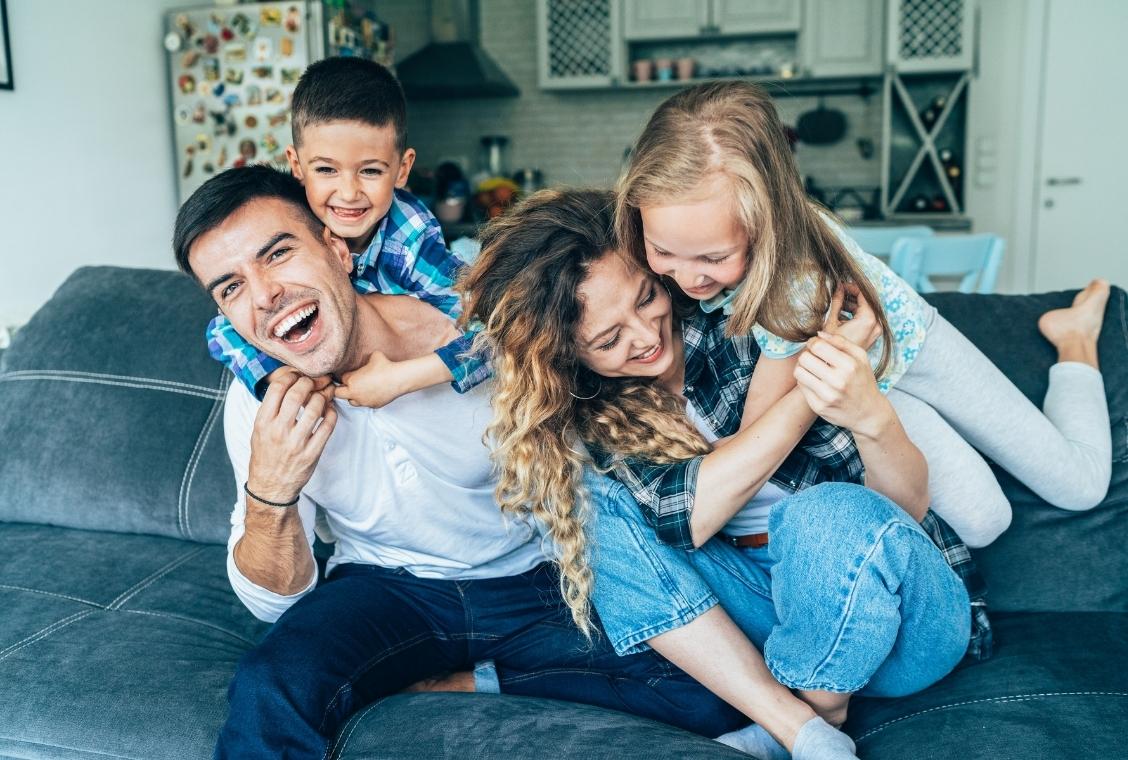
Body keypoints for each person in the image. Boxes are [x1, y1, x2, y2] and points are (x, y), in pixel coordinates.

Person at [173, 167, 759, 758]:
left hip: (536, 579)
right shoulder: (259, 397)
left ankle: (472, 681)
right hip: (387, 589)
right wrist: (271, 490)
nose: (265, 294)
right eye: (231, 288)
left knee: (712, 690)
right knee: (271, 686)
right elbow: (274, 603)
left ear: (335, 247)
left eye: (277, 255)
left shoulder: (477, 332)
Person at [461, 188, 980, 759]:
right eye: (607, 340)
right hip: (768, 615)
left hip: (903, 622)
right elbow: (690, 518)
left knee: (820, 514)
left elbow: (899, 511)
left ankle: (816, 711)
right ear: (568, 358)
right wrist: (810, 391)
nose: (645, 336)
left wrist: (844, 394)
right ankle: (796, 726)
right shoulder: (599, 416)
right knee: (582, 503)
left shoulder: (750, 326)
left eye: (646, 297)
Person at [615, 81, 1113, 549]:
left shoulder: (795, 285)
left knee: (1079, 486)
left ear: (768, 223)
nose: (688, 279)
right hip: (871, 382)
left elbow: (753, 439)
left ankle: (1074, 340)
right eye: (664, 252)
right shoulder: (667, 245)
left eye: (714, 259)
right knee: (984, 522)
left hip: (914, 351)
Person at [207, 56, 489, 408]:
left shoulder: (409, 241)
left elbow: (494, 339)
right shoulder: (290, 224)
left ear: (402, 171)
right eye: (326, 169)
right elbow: (222, 331)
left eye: (370, 171)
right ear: (297, 166)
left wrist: (399, 379)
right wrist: (277, 376)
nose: (349, 193)